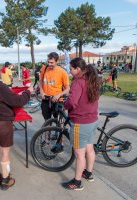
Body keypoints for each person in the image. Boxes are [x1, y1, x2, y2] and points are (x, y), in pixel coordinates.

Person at [0, 60, 33, 190]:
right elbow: (18, 101)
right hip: (2, 123)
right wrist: (28, 92)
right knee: (5, 152)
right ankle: (5, 180)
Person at [62, 57, 100, 191]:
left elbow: (72, 102)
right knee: (89, 149)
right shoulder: (91, 79)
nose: (70, 71)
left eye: (71, 69)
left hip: (80, 122)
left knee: (79, 154)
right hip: (92, 120)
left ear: (78, 69)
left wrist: (64, 105)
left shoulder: (78, 82)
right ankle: (88, 173)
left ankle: (77, 182)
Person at [39, 52, 69, 121]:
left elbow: (67, 88)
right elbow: (40, 81)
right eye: (48, 62)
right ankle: (47, 132)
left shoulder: (62, 72)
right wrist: (41, 91)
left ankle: (61, 130)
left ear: (57, 61)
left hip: (57, 100)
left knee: (59, 121)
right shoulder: (44, 68)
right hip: (46, 99)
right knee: (47, 120)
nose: (49, 64)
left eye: (52, 63)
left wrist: (59, 95)